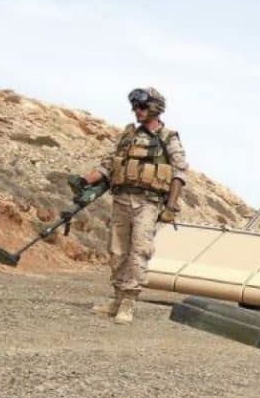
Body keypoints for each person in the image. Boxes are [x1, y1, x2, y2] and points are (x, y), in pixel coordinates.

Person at [79, 87, 188, 324]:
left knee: (139, 251)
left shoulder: (168, 138)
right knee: (117, 252)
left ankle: (128, 303)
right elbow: (109, 165)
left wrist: (170, 207)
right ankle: (117, 300)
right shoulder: (128, 135)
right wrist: (85, 180)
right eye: (134, 107)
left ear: (155, 108)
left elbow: (179, 173)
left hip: (147, 204)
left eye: (142, 107)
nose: (136, 111)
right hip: (121, 200)